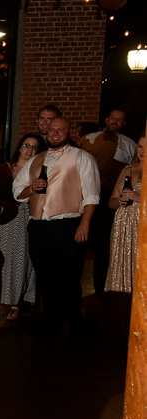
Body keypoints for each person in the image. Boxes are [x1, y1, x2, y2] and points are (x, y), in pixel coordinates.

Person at [12, 117, 100, 335]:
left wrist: (84, 224)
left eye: (60, 130)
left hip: (68, 225)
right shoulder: (35, 160)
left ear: (69, 132)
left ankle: (75, 323)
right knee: (45, 277)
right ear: (46, 132)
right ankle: (50, 321)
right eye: (52, 130)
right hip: (39, 227)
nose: (55, 134)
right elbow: (17, 192)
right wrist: (31, 189)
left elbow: (91, 195)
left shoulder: (82, 157)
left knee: (69, 278)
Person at [79, 109, 137, 295]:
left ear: (124, 124)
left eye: (120, 120)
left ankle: (100, 290)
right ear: (106, 119)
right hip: (83, 197)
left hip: (108, 201)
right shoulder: (88, 139)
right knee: (78, 244)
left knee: (103, 246)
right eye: (113, 118)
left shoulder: (130, 145)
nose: (115, 122)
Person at [0, 134, 43, 321]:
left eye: (34, 147)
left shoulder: (37, 171)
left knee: (21, 261)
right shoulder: (5, 168)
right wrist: (3, 201)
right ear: (20, 147)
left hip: (25, 218)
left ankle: (17, 304)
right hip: (3, 218)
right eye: (27, 145)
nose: (30, 150)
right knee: (0, 260)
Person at [105, 135, 144, 337]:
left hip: (142, 225)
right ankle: (121, 326)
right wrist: (118, 200)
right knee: (121, 270)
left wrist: (138, 198)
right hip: (122, 225)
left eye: (146, 147)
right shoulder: (127, 170)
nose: (142, 151)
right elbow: (111, 202)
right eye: (139, 146)